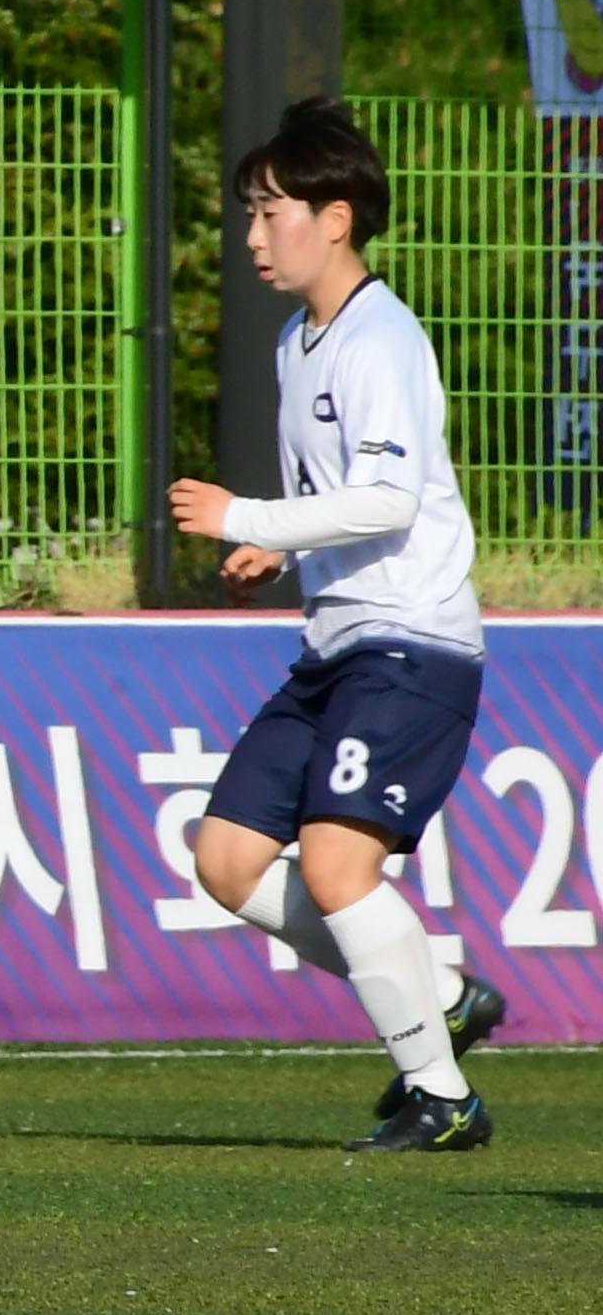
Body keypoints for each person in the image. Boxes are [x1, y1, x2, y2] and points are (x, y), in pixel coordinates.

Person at [170, 97, 505, 1152]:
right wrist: (286, 550)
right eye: (254, 212)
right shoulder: (296, 342)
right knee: (225, 857)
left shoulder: (381, 336)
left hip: (411, 644)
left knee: (335, 867)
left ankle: (443, 1097)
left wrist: (248, 514)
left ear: (339, 214)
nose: (256, 232)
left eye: (273, 209)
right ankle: (440, 993)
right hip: (338, 643)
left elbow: (393, 500)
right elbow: (347, 497)